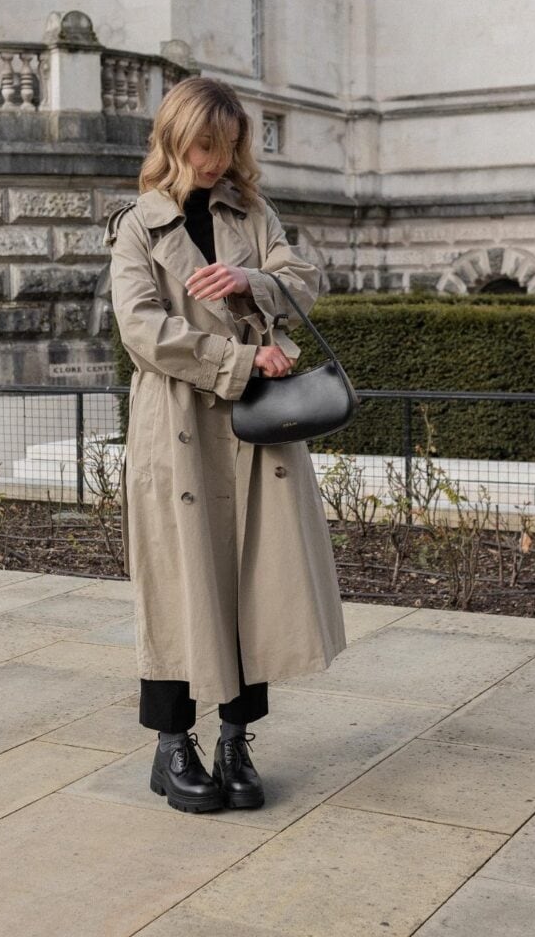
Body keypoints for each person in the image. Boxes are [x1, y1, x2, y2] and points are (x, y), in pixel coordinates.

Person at [106, 77, 346, 814]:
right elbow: (140, 330)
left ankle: (235, 740)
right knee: (178, 584)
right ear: (174, 138)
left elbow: (303, 279)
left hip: (255, 433)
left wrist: (251, 281)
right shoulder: (138, 227)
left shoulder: (251, 211)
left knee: (253, 582)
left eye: (227, 146)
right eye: (205, 145)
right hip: (178, 424)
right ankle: (171, 746)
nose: (216, 160)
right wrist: (241, 363)